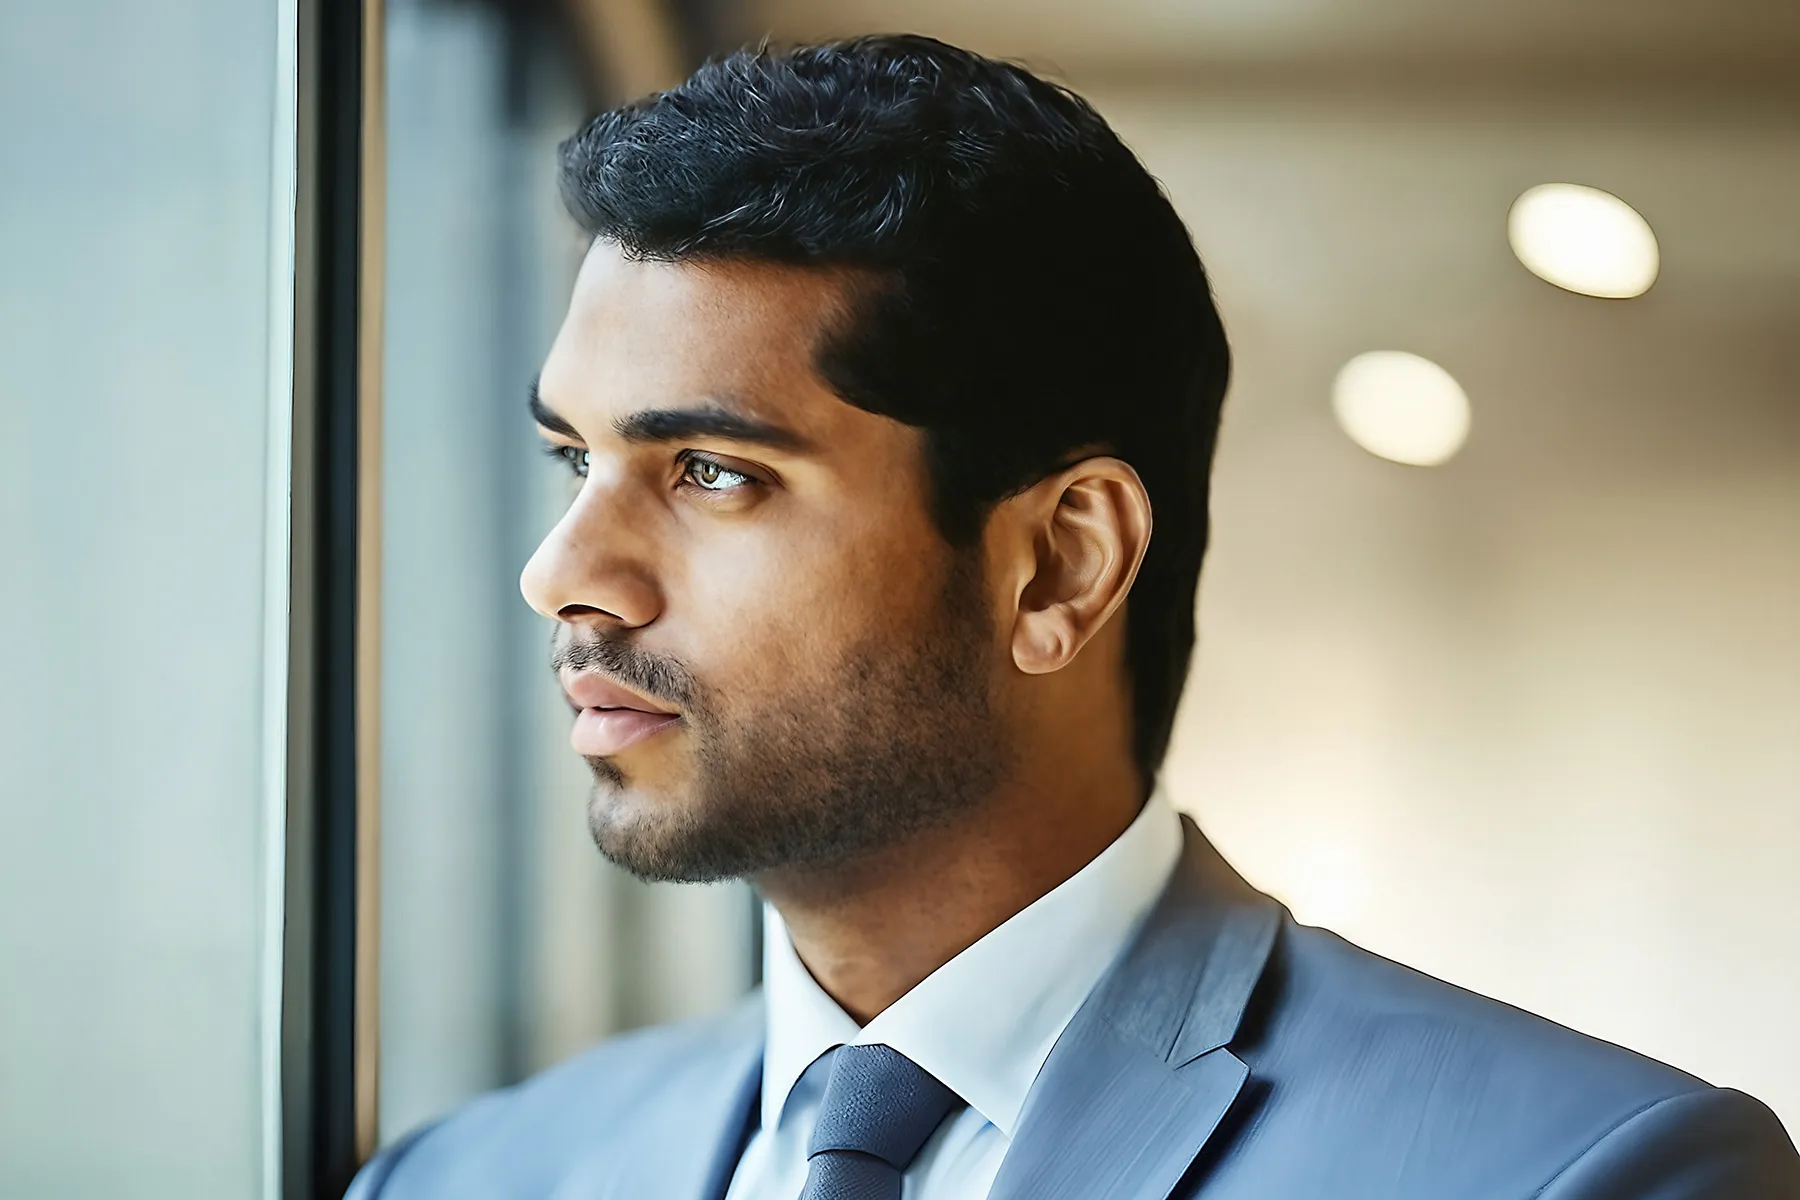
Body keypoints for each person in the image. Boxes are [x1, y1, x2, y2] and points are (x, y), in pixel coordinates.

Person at [348, 33, 1800, 1200]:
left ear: (1059, 566)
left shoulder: (1594, 1174)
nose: (563, 570)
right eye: (574, 460)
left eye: (713, 471)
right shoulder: (461, 1176)